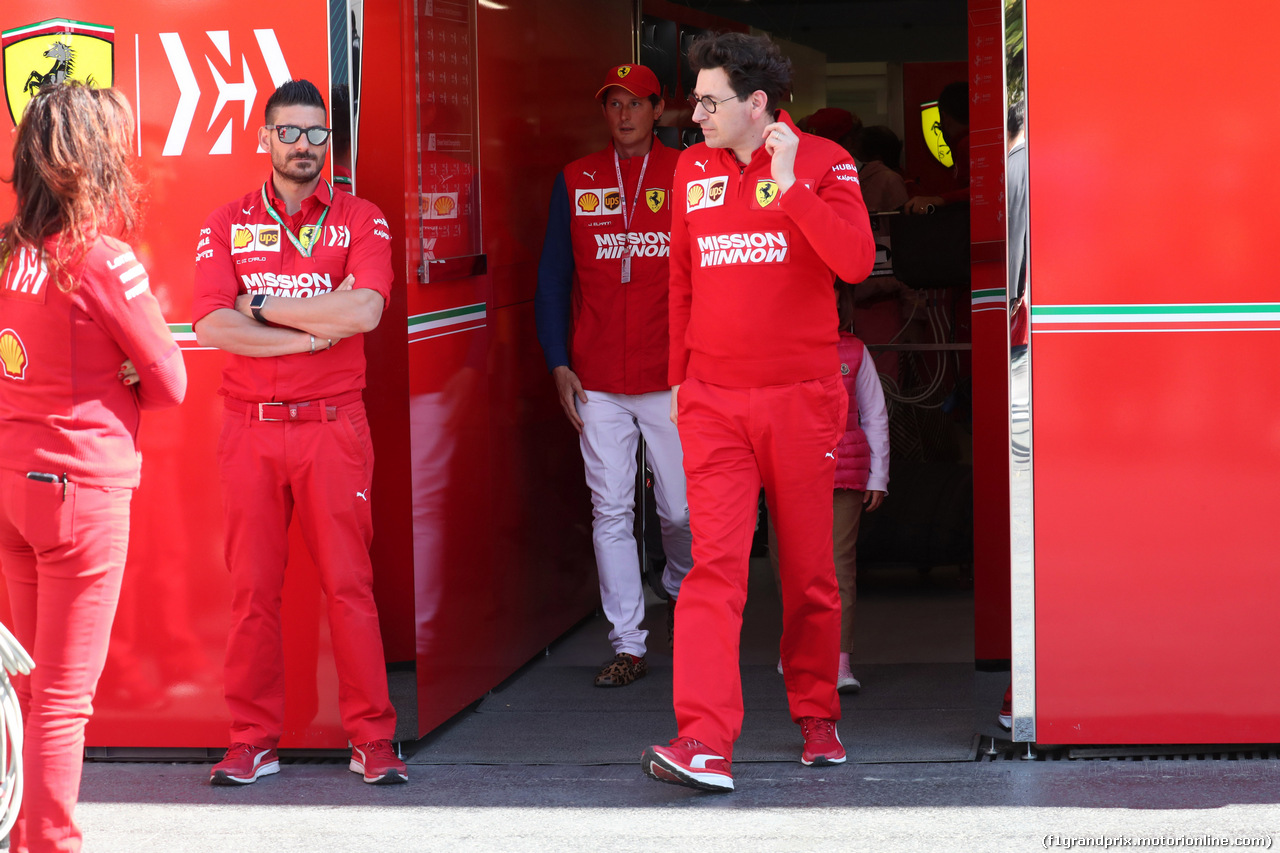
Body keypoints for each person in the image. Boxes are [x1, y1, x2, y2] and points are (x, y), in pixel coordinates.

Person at [641, 32, 875, 793]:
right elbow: (679, 277)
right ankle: (705, 739)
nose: (694, 113)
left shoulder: (824, 161)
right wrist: (678, 382)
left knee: (808, 570)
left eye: (708, 101)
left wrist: (789, 182)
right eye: (697, 99)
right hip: (711, 401)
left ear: (757, 104)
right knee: (714, 569)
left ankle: (816, 714)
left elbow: (857, 263)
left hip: (802, 399)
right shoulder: (689, 166)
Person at [192, 79, 405, 785]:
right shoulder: (225, 222)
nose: (306, 146)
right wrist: (311, 335)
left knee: (350, 584)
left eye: (318, 134)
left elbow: (365, 312)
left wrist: (262, 307)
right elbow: (213, 325)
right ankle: (253, 738)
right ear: (266, 137)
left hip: (332, 429)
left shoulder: (363, 218)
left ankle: (372, 738)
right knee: (253, 591)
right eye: (291, 132)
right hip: (248, 429)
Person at [0, 82, 187, 852]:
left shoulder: (8, 254)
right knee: (64, 698)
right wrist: (125, 374)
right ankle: (48, 842)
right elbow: (171, 378)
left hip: (15, 488)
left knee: (27, 688)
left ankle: (20, 831)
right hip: (79, 491)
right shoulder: (100, 258)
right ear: (90, 160)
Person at [535, 64, 692, 688]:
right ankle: (628, 641)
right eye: (613, 104)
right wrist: (558, 361)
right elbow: (551, 278)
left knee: (680, 510)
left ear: (659, 110)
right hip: (596, 376)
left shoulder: (689, 171)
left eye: (635, 103)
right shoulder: (577, 179)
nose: (623, 114)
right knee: (610, 512)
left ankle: (679, 581)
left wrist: (702, 365)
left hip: (670, 372)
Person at [906, 81, 969, 214]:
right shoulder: (966, 144)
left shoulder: (967, 144)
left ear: (944, 117)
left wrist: (940, 199)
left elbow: (983, 190)